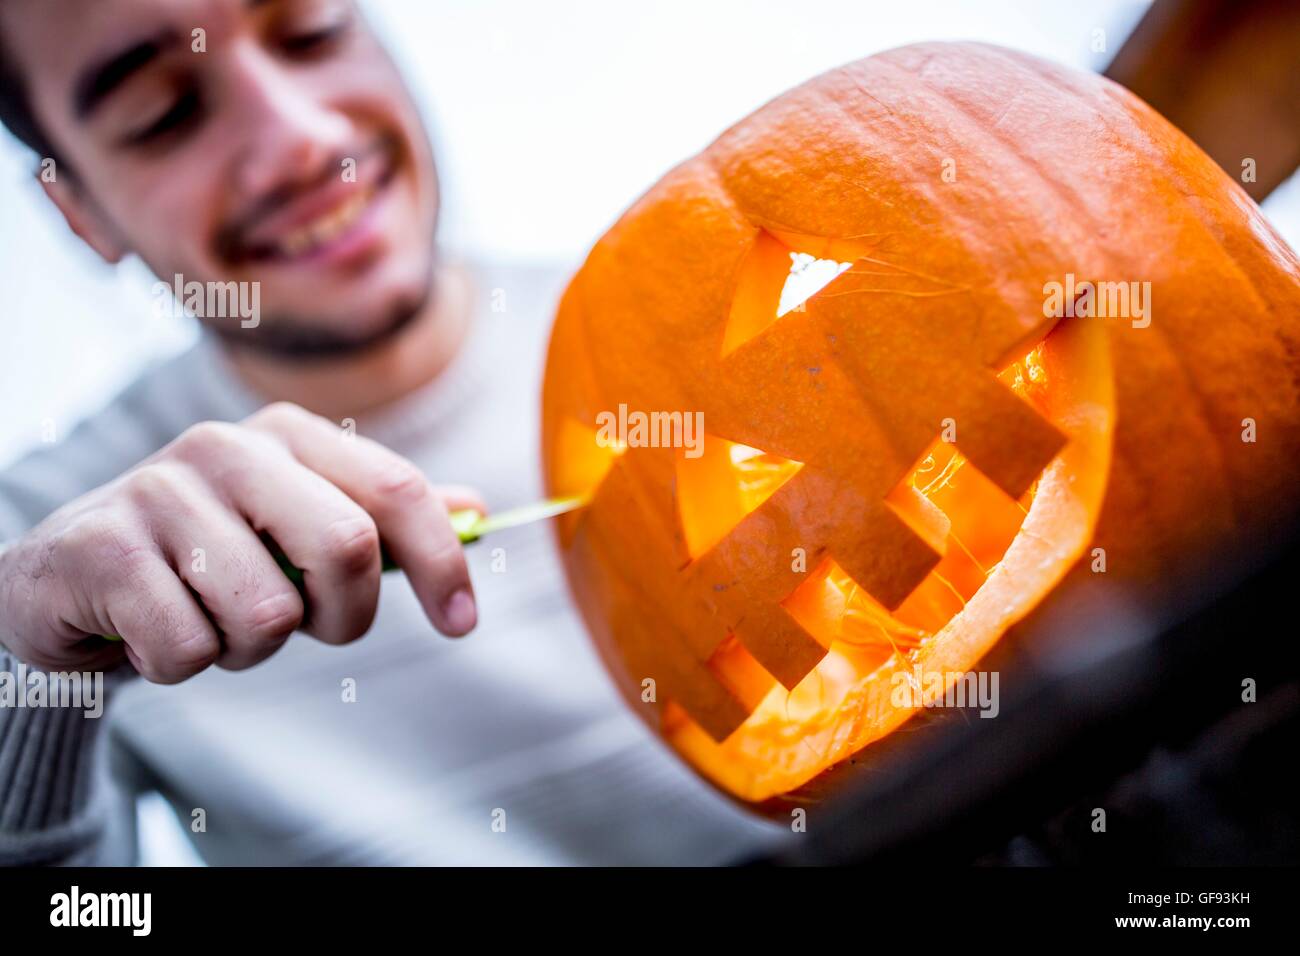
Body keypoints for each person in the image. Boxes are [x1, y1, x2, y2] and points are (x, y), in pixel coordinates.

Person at [0, 0, 781, 865]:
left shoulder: (727, 354)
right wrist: (36, 687)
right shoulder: (36, 576)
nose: (302, 140)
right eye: (164, 113)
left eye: (312, 32)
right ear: (79, 213)